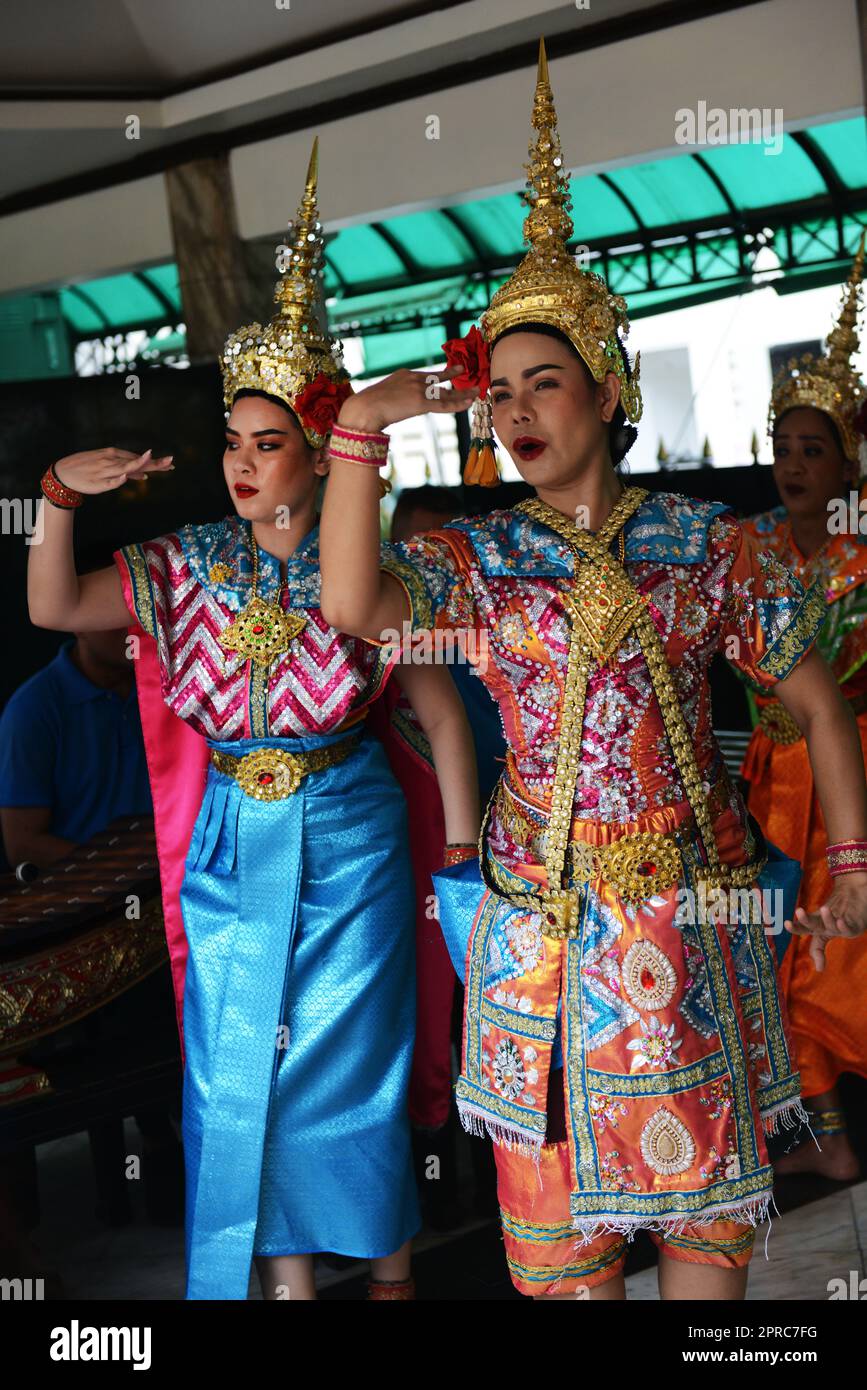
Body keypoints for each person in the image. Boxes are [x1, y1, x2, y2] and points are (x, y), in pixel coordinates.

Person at [319, 41, 867, 1301]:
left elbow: (817, 700)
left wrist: (847, 864)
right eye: (499, 388)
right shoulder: (486, 555)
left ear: (608, 390)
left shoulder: (699, 541)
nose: (515, 409)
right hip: (539, 936)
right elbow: (353, 604)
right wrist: (359, 432)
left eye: (544, 382)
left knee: (704, 1238)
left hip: (689, 925)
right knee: (563, 1263)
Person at [26, 142, 479, 1301]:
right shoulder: (182, 564)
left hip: (355, 833)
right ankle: (276, 1279)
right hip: (233, 834)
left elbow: (432, 701)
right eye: (231, 442)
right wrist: (59, 501)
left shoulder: (374, 560)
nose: (239, 463)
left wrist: (465, 851)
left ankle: (385, 1270)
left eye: (265, 443)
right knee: (243, 1071)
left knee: (357, 1061)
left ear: (319, 449)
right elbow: (54, 604)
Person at [742, 235, 867, 1181]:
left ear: (846, 463)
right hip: (768, 785)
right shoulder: (744, 549)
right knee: (775, 959)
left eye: (811, 449)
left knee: (844, 963)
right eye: (781, 448)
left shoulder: (864, 553)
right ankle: (824, 1135)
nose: (792, 465)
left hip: (850, 774)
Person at [0, 621, 151, 870]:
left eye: (138, 612)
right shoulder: (32, 710)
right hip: (86, 897)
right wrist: (121, 866)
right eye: (113, 616)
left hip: (166, 887)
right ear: (78, 623)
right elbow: (23, 846)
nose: (132, 628)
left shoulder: (166, 688)